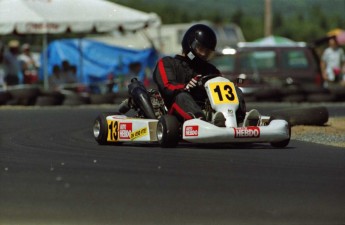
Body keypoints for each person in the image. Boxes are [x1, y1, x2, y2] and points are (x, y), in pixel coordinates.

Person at [153, 23, 227, 126]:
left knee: (235, 91)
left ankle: (239, 119)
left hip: (208, 109)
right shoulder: (167, 63)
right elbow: (167, 87)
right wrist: (186, 87)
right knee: (183, 96)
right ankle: (201, 122)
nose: (204, 54)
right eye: (201, 49)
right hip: (175, 114)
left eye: (207, 51)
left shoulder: (210, 69)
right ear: (190, 44)